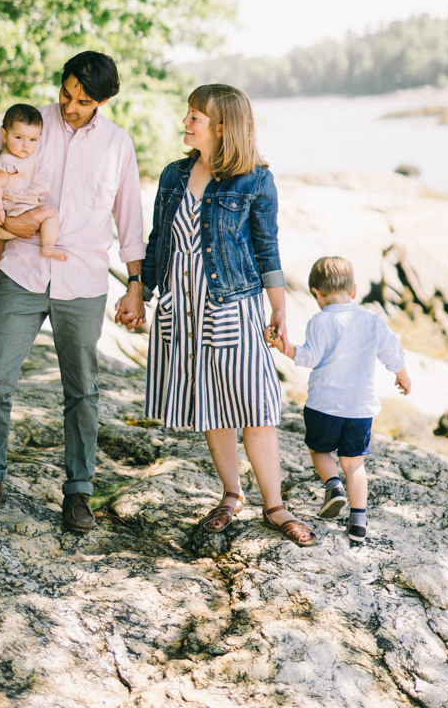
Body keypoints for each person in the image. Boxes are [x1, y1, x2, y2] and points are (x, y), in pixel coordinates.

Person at [0, 52, 146, 533]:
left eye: (83, 101)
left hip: (82, 278)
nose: (70, 105)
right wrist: (1, 221)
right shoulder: (27, 123)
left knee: (82, 391)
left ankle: (79, 492)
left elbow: (130, 219)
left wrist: (136, 284)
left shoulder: (119, 146)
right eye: (66, 93)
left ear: (104, 100)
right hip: (21, 271)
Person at [119, 84, 317, 547]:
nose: (185, 123)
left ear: (223, 128)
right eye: (188, 114)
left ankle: (275, 506)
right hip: (181, 309)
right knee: (211, 405)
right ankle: (232, 494)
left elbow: (267, 248)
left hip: (233, 306)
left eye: (195, 117)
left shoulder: (255, 180)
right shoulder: (172, 176)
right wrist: (139, 293)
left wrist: (279, 309)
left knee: (253, 405)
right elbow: (157, 245)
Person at [268, 255, 411, 543]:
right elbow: (392, 353)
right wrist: (403, 376)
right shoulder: (372, 321)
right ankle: (358, 523)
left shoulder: (320, 321)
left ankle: (333, 487)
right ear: (354, 290)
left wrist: (284, 347)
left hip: (323, 406)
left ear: (316, 294)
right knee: (354, 464)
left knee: (320, 451)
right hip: (359, 409)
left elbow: (307, 357)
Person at [0, 103, 66, 274]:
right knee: (51, 212)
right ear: (4, 136)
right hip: (11, 208)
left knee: (3, 239)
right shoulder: (5, 162)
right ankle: (48, 246)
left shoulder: (24, 157)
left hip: (18, 206)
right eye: (19, 138)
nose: (25, 145)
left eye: (33, 140)